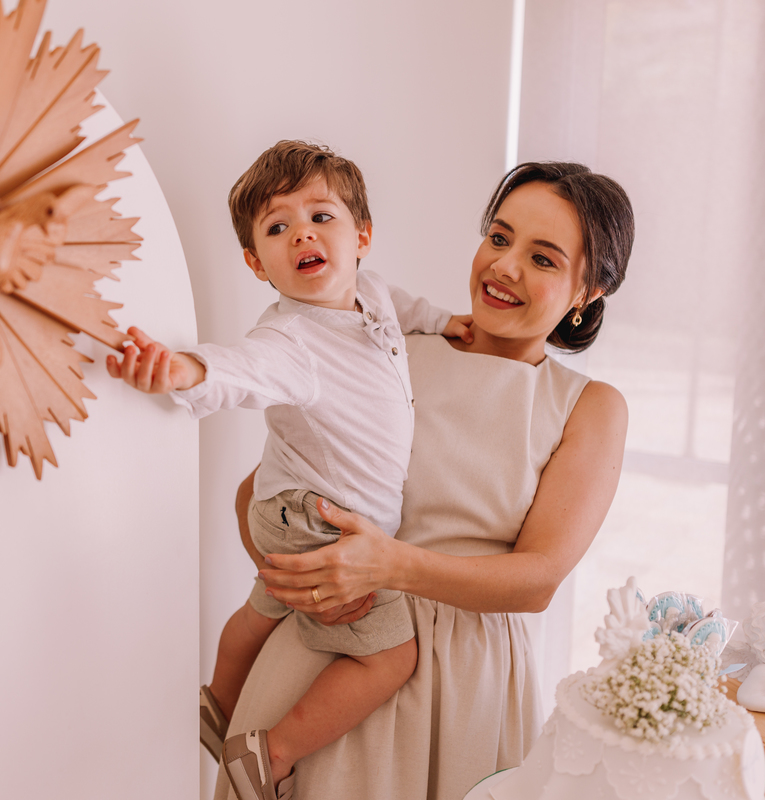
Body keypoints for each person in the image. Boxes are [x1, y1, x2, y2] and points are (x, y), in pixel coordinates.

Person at [214, 161, 635, 800]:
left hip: (468, 687)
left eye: (543, 259)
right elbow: (260, 491)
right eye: (499, 238)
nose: (504, 266)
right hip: (330, 658)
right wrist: (311, 578)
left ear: (587, 292)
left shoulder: (587, 405)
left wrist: (387, 566)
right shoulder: (390, 345)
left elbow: (538, 578)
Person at [106, 140, 470, 800]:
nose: (302, 231)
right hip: (313, 519)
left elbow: (412, 309)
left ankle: (217, 704)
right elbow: (234, 371)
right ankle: (269, 754)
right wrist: (178, 369)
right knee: (393, 655)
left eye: (320, 217)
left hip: (284, 504)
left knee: (267, 603)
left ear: (361, 236)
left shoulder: (376, 295)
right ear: (255, 262)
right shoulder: (291, 340)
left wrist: (451, 324)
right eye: (278, 227)